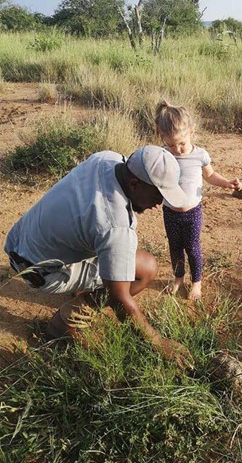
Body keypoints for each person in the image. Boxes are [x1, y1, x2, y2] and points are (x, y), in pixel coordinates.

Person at [4, 145, 193, 370]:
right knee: (146, 268)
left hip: (19, 241)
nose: (159, 203)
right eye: (158, 194)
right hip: (43, 273)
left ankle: (80, 285)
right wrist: (157, 341)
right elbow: (118, 297)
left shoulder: (106, 160)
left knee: (116, 253)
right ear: (134, 184)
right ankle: (66, 321)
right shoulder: (115, 226)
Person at [155, 101, 242, 301]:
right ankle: (178, 278)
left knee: (192, 248)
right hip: (170, 212)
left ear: (191, 132)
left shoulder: (200, 155)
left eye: (181, 143)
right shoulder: (163, 155)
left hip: (192, 213)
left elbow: (210, 176)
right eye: (171, 144)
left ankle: (196, 282)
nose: (176, 149)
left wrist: (226, 183)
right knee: (175, 248)